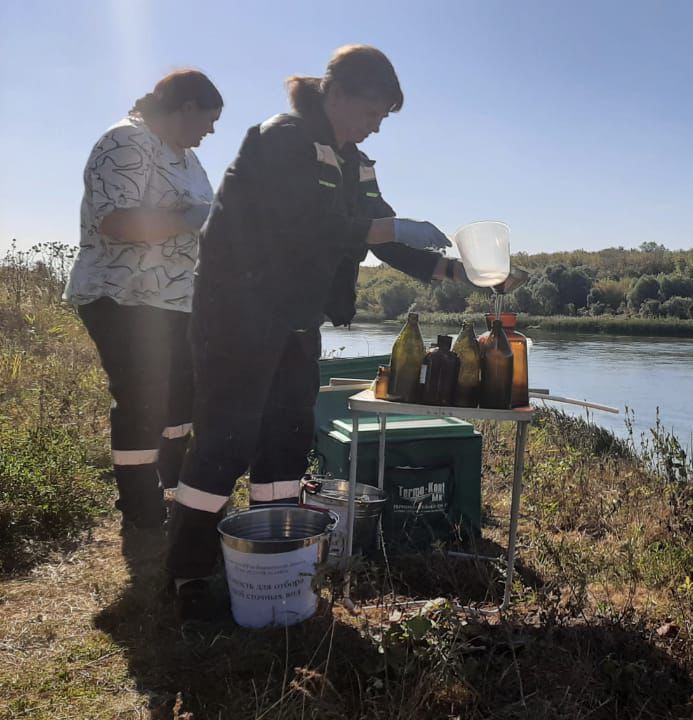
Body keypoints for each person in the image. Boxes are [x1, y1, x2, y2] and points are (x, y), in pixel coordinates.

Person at [165, 45, 487, 618]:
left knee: (288, 438)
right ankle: (186, 574)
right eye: (371, 112)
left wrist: (455, 271)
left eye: (384, 118)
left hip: (295, 316)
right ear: (336, 94)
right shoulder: (279, 138)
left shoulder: (355, 162)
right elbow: (299, 224)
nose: (375, 127)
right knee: (227, 439)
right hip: (237, 309)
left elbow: (381, 236)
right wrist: (388, 223)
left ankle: (274, 555)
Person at [65, 70, 222, 530]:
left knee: (182, 396)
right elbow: (117, 222)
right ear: (185, 107)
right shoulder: (125, 141)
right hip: (123, 295)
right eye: (208, 119)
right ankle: (140, 506)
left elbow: (201, 221)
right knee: (141, 399)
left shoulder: (186, 157)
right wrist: (189, 220)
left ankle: (172, 487)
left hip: (176, 298)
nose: (210, 131)